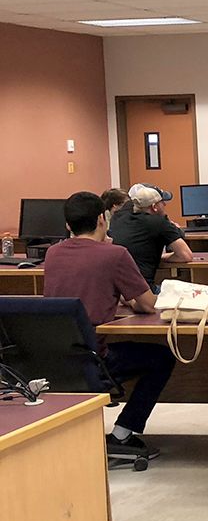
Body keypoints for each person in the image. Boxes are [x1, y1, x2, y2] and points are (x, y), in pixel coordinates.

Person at [43, 192, 177, 461]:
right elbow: (149, 304)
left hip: (57, 359)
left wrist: (115, 305)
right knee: (162, 357)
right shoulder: (114, 254)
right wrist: (133, 303)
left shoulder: (52, 254)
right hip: (96, 358)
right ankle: (122, 434)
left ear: (68, 225)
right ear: (102, 219)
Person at [109, 183, 193, 290]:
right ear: (154, 207)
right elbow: (185, 255)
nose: (165, 205)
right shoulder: (159, 222)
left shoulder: (117, 218)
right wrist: (161, 257)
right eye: (162, 202)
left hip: (117, 291)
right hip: (142, 291)